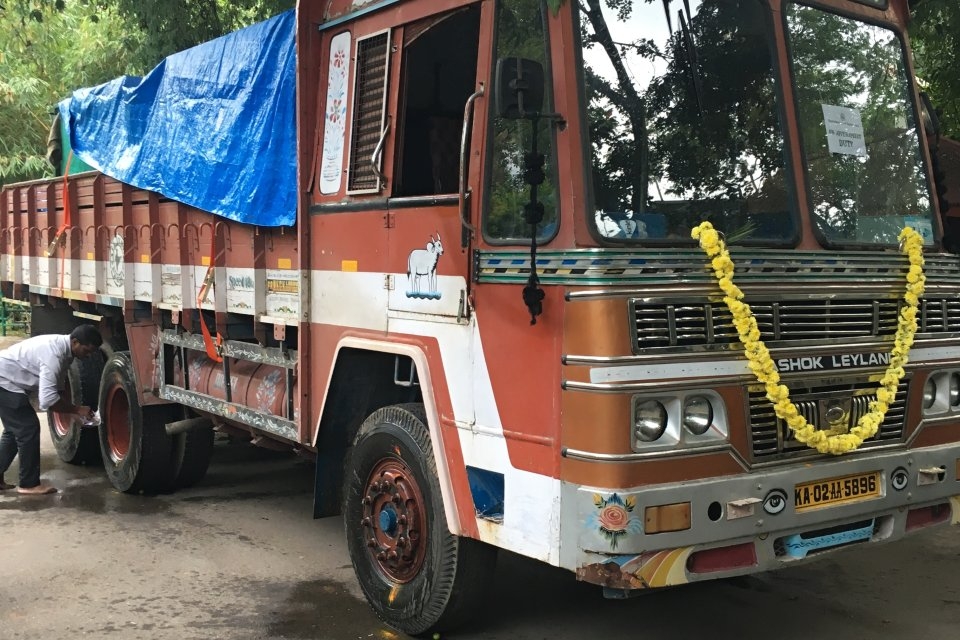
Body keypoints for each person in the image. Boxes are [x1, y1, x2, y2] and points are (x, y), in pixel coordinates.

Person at [0, 325, 103, 494]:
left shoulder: (65, 351)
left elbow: (58, 388)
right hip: (3, 380)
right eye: (87, 351)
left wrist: (72, 412)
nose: (88, 356)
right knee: (28, 428)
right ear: (75, 342)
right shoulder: (53, 354)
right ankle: (29, 484)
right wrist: (77, 409)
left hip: (7, 379)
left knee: (14, 430)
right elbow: (47, 400)